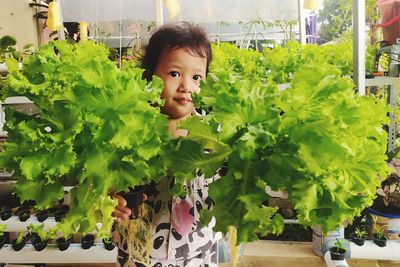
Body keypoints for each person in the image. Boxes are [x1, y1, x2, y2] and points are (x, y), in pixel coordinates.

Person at [112, 22, 221, 267]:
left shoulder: (214, 135)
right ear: (149, 75)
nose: (186, 86)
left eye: (196, 77)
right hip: (139, 250)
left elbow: (227, 183)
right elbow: (107, 181)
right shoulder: (130, 130)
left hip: (197, 251)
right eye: (174, 74)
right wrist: (113, 199)